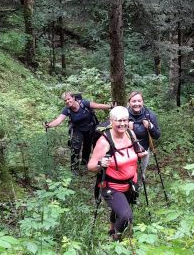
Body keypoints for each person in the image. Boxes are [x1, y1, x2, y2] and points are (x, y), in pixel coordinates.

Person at [88, 106, 147, 241]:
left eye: (125, 120)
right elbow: (90, 166)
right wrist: (100, 164)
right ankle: (116, 239)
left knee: (119, 210)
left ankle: (111, 229)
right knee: (126, 216)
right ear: (111, 121)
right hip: (111, 186)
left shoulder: (130, 134)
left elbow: (135, 152)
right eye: (119, 121)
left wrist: (141, 154)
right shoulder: (104, 141)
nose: (122, 124)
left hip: (130, 183)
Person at [45, 91, 111, 173]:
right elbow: (59, 120)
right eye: (65, 100)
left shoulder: (84, 103)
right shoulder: (67, 109)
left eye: (69, 99)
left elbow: (97, 105)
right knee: (75, 148)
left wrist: (111, 106)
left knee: (87, 147)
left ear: (73, 98)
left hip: (90, 128)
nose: (67, 101)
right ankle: (74, 169)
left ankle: (84, 164)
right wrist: (49, 125)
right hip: (77, 130)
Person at [127, 91, 161, 182]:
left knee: (141, 171)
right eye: (133, 101)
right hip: (127, 148)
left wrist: (150, 126)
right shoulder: (124, 114)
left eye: (139, 101)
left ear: (143, 102)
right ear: (129, 102)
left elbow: (157, 135)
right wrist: (128, 129)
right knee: (128, 172)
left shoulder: (149, 115)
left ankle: (139, 186)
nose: (137, 104)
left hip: (144, 148)